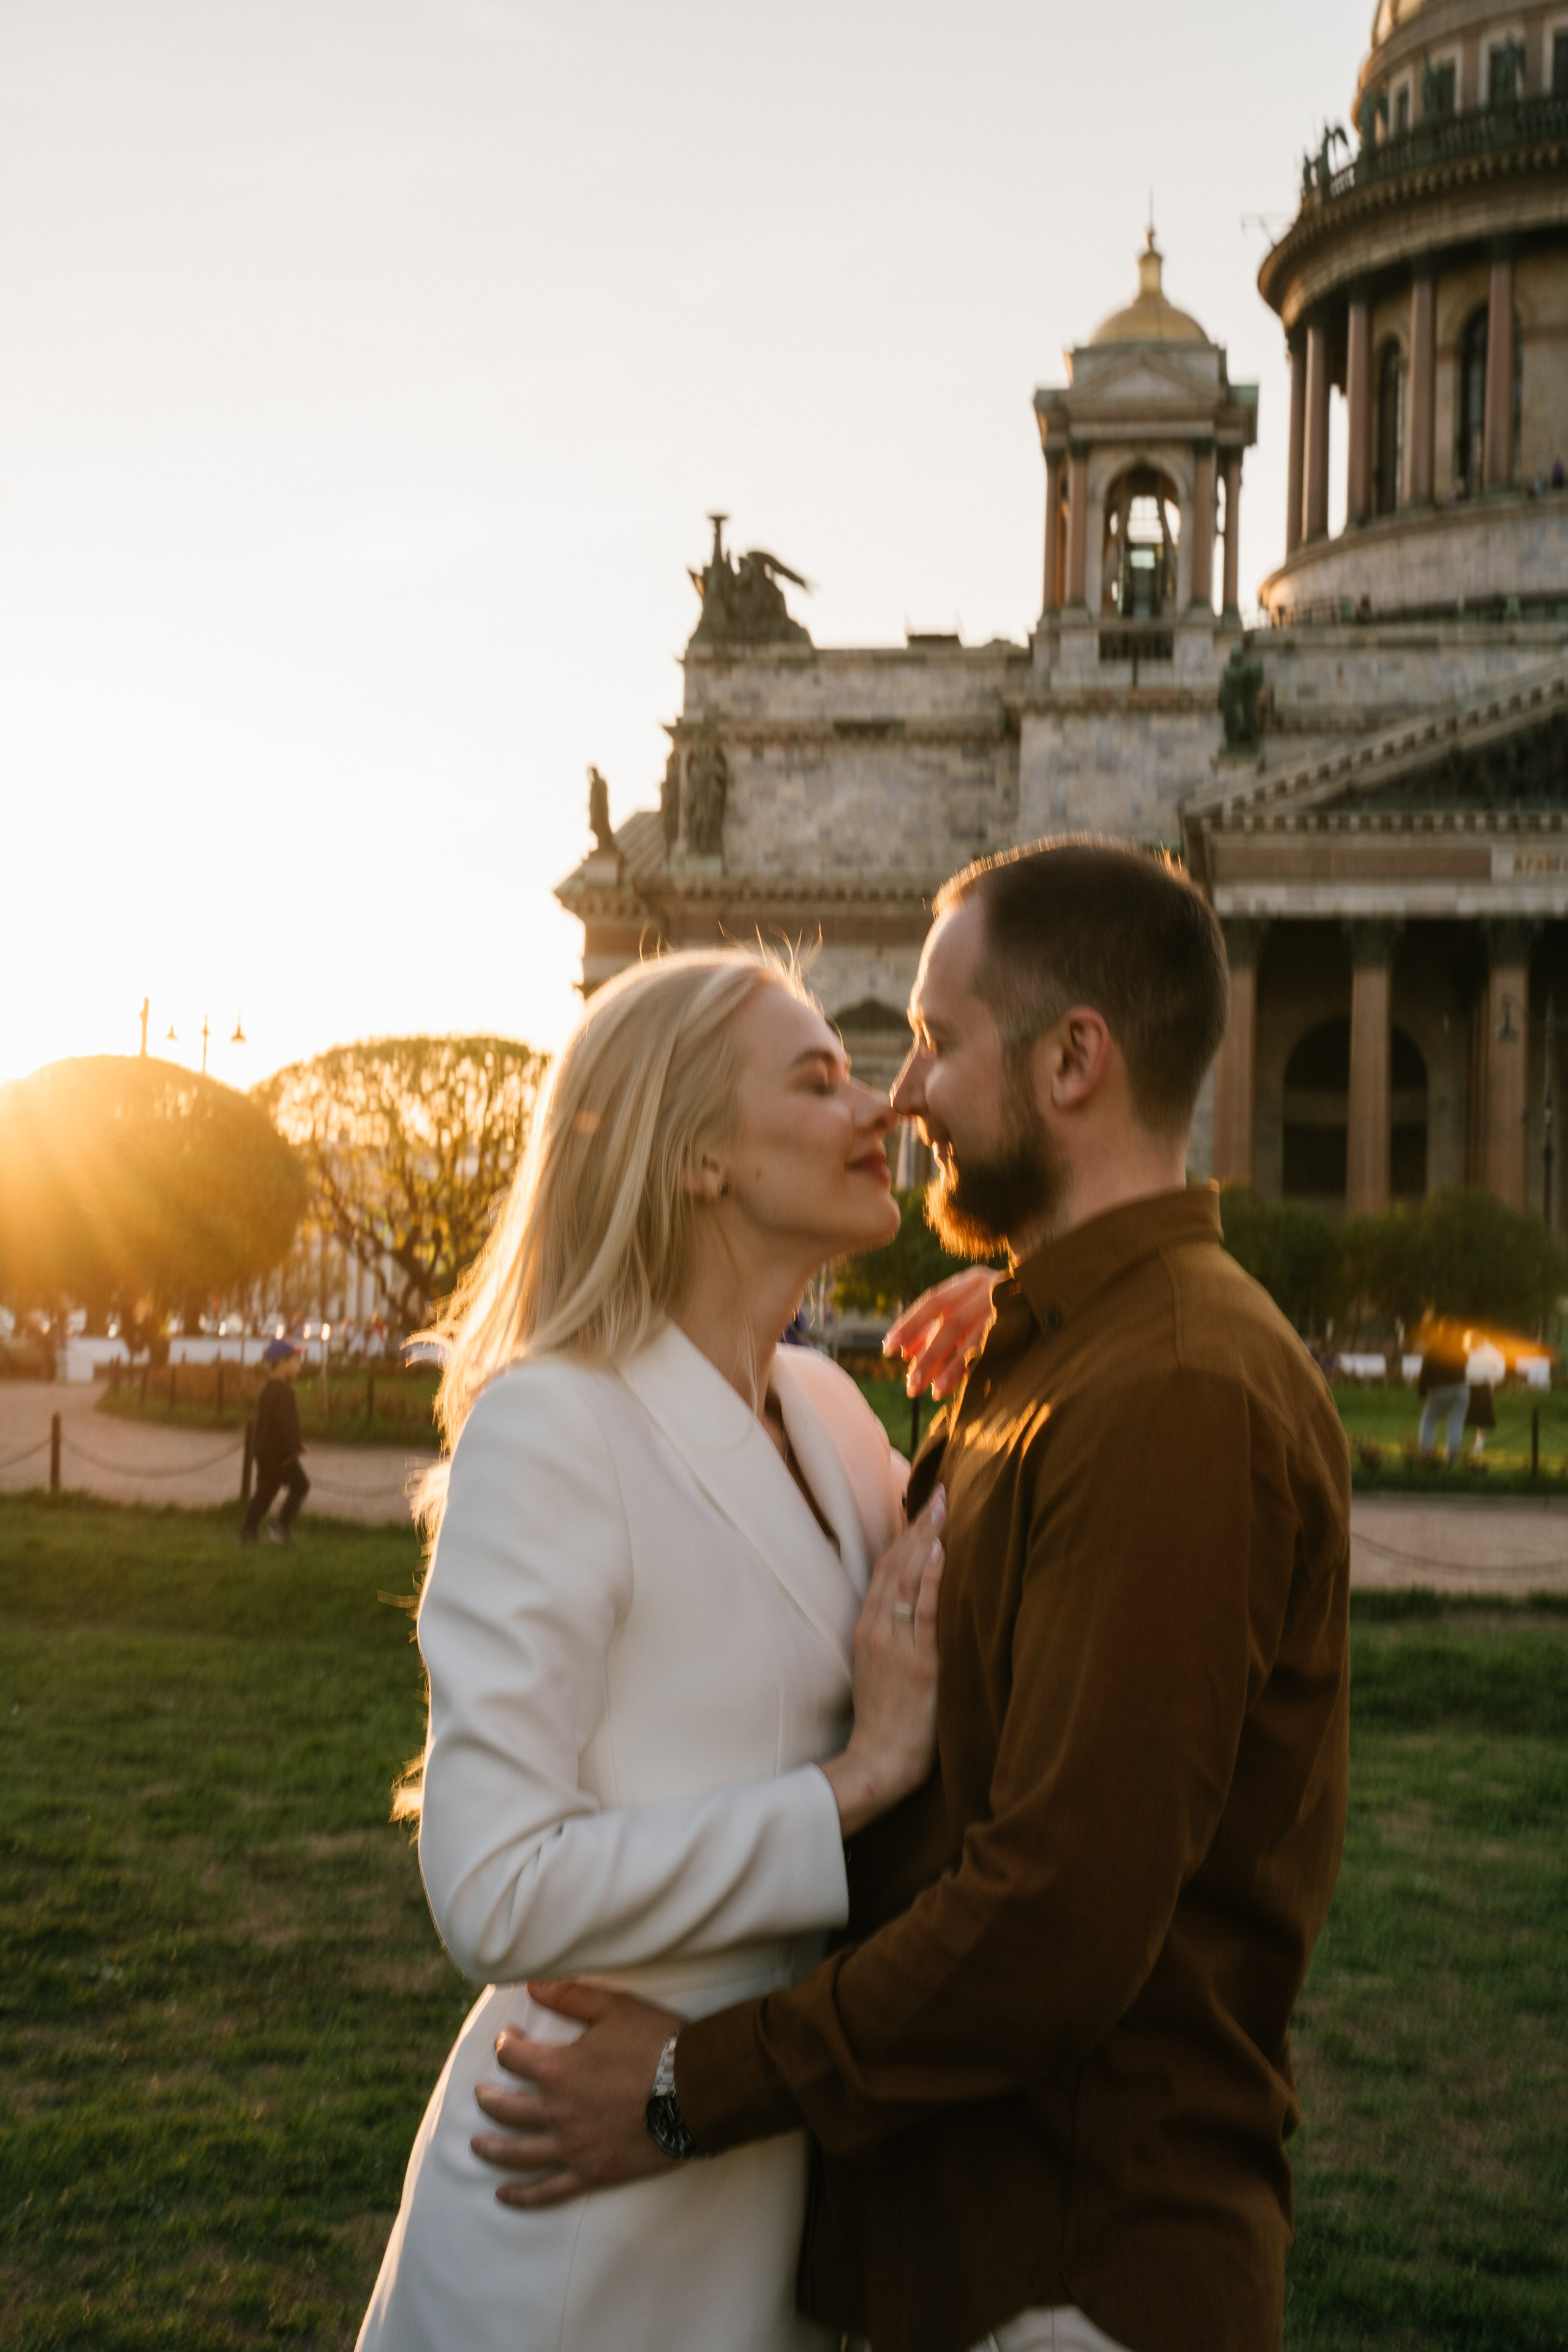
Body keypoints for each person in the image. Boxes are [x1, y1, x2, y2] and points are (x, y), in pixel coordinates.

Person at [473, 837, 1353, 2352]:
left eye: (934, 1042)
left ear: (1072, 1060)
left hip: (1065, 2268)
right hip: (932, 2240)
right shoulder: (1044, 1359)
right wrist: (1024, 1305)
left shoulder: (1172, 1387)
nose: (903, 1093)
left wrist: (690, 2084)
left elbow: (1055, 1920)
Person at [357, 948, 949, 2352]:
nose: (879, 1107)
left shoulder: (826, 1407)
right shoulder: (553, 1424)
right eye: (815, 1079)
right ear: (695, 1157)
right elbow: (492, 1888)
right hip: (580, 2223)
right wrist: (847, 1789)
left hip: (755, 2150)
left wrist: (1031, 1331)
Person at [239, 1338, 309, 1545]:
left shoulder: (269, 1388)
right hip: (280, 1455)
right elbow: (285, 1425)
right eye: (295, 1361)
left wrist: (297, 1444)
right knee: (301, 1485)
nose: (299, 1365)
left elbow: (269, 1424)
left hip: (265, 1451)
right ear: (282, 1363)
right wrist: (291, 1452)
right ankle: (281, 1527)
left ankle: (247, 1532)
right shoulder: (285, 1392)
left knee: (266, 1492)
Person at [1416, 1322, 1470, 1460]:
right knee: (1456, 1424)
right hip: (1461, 1389)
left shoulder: (1433, 1350)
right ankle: (1452, 1457)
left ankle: (1427, 1455)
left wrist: (1422, 1393)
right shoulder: (1461, 1350)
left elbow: (1425, 1373)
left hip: (1440, 1390)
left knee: (1429, 1421)